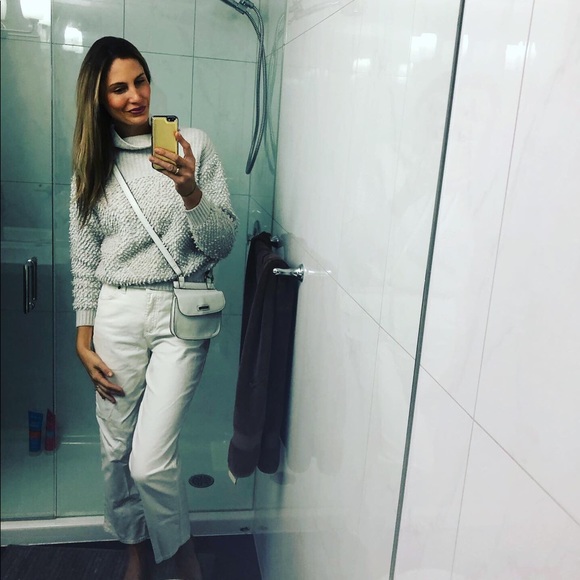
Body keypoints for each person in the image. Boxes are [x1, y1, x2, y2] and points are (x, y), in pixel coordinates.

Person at [69, 36, 238, 580]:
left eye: (140, 80)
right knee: (116, 450)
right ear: (99, 99)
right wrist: (83, 336)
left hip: (178, 313)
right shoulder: (92, 166)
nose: (135, 96)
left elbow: (221, 243)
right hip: (115, 314)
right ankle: (135, 550)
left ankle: (182, 555)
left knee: (150, 460)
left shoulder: (195, 145)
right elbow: (85, 261)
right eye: (118, 88)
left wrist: (190, 191)